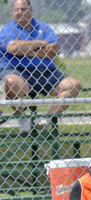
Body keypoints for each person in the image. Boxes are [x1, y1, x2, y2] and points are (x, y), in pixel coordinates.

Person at [0, 0, 81, 134]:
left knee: (74, 85)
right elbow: (13, 48)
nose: (19, 12)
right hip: (18, 71)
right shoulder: (7, 29)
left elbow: (54, 49)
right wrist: (40, 43)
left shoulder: (43, 26)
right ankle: (23, 119)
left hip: (46, 72)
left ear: (30, 10)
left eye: (23, 9)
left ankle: (45, 120)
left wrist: (25, 50)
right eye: (16, 10)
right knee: (10, 82)